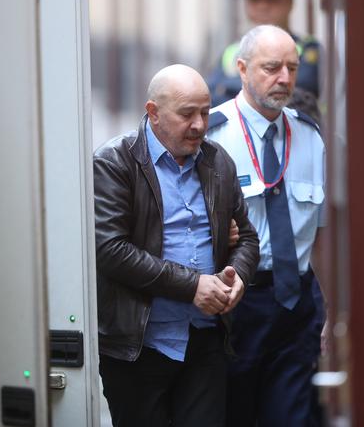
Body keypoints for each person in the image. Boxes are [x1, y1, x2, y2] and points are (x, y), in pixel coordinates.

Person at [93, 64, 260, 427]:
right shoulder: (115, 162)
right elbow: (109, 249)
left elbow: (246, 236)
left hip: (205, 341)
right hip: (139, 345)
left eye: (204, 111)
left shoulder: (218, 162)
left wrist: (239, 277)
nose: (200, 124)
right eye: (187, 114)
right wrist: (192, 285)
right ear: (153, 113)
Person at [206, 25, 327, 427]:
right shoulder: (212, 137)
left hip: (296, 305)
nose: (285, 79)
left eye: (291, 68)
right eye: (271, 67)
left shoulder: (310, 138)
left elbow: (322, 233)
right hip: (238, 305)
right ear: (242, 69)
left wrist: (329, 310)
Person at [207, 0, 321, 112]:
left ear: (290, 1)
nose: (262, 6)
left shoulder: (307, 49)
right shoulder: (232, 51)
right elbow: (211, 95)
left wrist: (230, 88)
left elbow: (298, 91)